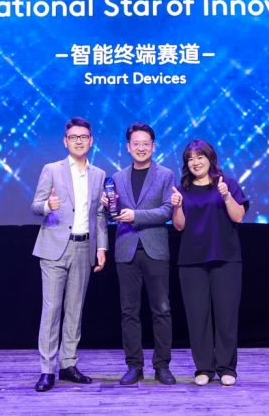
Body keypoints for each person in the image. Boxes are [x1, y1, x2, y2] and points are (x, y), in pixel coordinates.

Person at [30, 117, 108, 392]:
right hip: (54, 247)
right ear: (65, 141)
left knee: (75, 310)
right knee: (51, 310)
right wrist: (47, 206)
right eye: (73, 137)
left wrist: (101, 247)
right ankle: (47, 369)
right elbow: (35, 205)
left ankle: (68, 364)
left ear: (91, 141)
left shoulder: (99, 174)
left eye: (83, 136)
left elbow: (99, 215)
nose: (78, 141)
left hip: (84, 248)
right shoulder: (51, 169)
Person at [170, 139, 248, 387]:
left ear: (210, 158)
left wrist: (226, 197)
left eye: (200, 156)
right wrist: (177, 207)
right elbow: (179, 226)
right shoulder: (182, 189)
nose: (195, 162)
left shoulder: (227, 184)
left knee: (226, 316)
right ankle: (203, 368)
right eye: (190, 158)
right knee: (197, 317)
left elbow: (238, 216)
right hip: (191, 261)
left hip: (226, 258)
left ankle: (226, 368)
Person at [104, 122, 176, 385]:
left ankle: (162, 366)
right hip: (126, 250)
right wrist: (107, 207)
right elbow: (113, 215)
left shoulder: (165, 175)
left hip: (155, 249)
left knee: (161, 310)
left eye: (146, 143)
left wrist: (136, 215)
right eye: (137, 143)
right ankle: (134, 366)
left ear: (153, 146)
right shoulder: (117, 177)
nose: (141, 148)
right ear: (128, 147)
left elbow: (167, 210)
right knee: (129, 312)